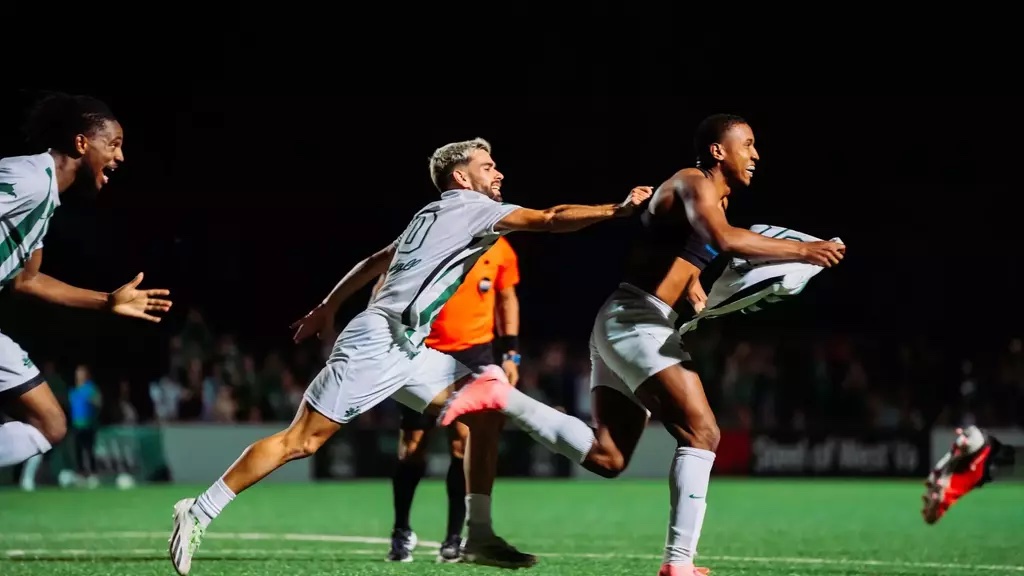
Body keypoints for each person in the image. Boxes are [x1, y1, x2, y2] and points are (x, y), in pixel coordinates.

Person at [167, 136, 652, 576]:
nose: (498, 173)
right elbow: (549, 218)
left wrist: (327, 306)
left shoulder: (431, 213)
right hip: (378, 343)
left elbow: (374, 261)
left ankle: (477, 534)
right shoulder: (471, 207)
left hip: (411, 346)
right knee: (303, 442)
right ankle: (200, 508)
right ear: (462, 178)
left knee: (485, 412)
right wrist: (617, 210)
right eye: (488, 166)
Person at [440, 114, 847, 576]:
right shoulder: (694, 181)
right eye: (748, 144)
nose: (755, 154)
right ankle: (679, 564)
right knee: (703, 433)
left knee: (608, 457)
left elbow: (688, 252)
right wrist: (805, 251)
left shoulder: (714, 198)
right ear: (718, 150)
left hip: (629, 320)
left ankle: (501, 398)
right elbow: (723, 239)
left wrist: (695, 285)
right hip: (636, 321)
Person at [0, 92, 173, 473]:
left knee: (50, 424)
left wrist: (107, 301)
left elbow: (27, 281)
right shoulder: (28, 179)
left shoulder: (45, 199)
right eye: (113, 144)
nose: (121, 156)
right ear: (81, 143)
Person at [375, 235, 523, 564]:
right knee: (412, 446)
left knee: (462, 444)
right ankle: (401, 532)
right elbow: (385, 284)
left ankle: (454, 538)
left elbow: (507, 296)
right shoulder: (431, 236)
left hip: (474, 355)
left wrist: (512, 353)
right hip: (420, 351)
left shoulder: (500, 247)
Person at [923, 425, 1019, 524]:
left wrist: (936, 477)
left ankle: (935, 496)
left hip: (976, 456)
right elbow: (949, 460)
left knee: (954, 483)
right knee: (954, 480)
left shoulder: (969, 448)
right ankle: (936, 496)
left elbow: (949, 460)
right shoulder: (967, 446)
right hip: (977, 453)